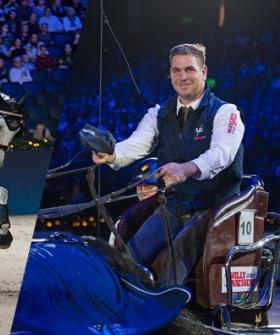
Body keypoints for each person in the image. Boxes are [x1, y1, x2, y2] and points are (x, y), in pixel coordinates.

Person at [91, 43, 244, 287]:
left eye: (189, 70)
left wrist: (186, 169)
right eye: (176, 70)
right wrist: (111, 154)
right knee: (128, 258)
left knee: (176, 259)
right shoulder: (158, 114)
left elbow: (222, 154)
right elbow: (136, 144)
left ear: (203, 72)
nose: (183, 77)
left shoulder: (226, 113)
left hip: (213, 209)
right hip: (173, 206)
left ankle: (169, 319)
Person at [108, 158, 160, 251]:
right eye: (139, 188)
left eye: (149, 188)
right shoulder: (123, 222)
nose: (143, 193)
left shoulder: (172, 218)